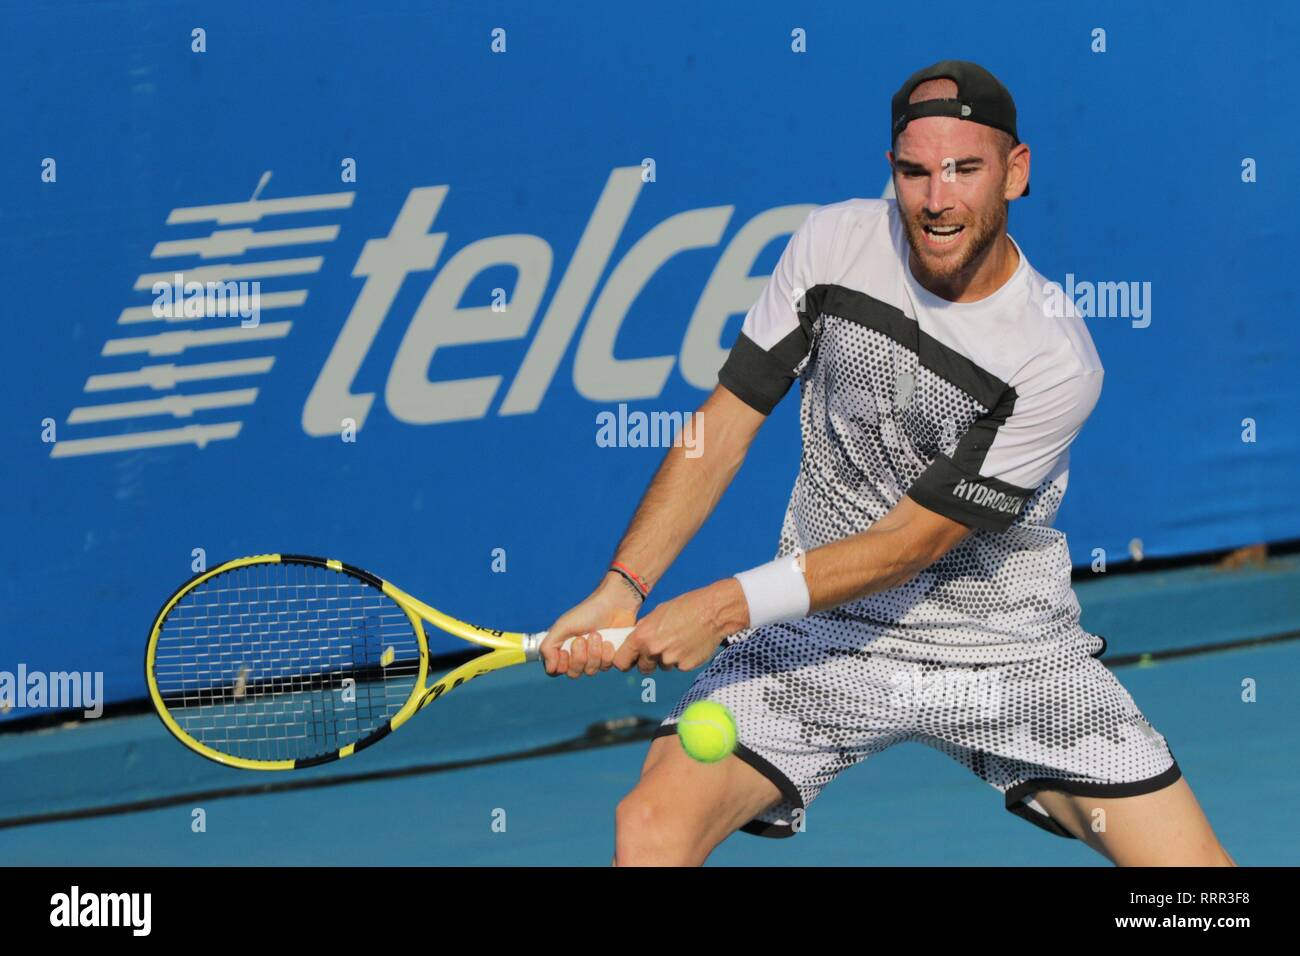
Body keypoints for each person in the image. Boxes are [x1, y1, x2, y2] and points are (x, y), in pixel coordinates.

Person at [540, 60, 1235, 867]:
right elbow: (726, 422)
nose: (937, 200)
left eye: (964, 170)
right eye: (914, 171)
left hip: (1003, 649)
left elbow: (911, 544)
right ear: (891, 173)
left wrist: (726, 607)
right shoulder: (833, 243)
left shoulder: (1053, 358)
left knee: (1198, 890)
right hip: (817, 633)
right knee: (651, 826)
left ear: (1016, 172)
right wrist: (623, 585)